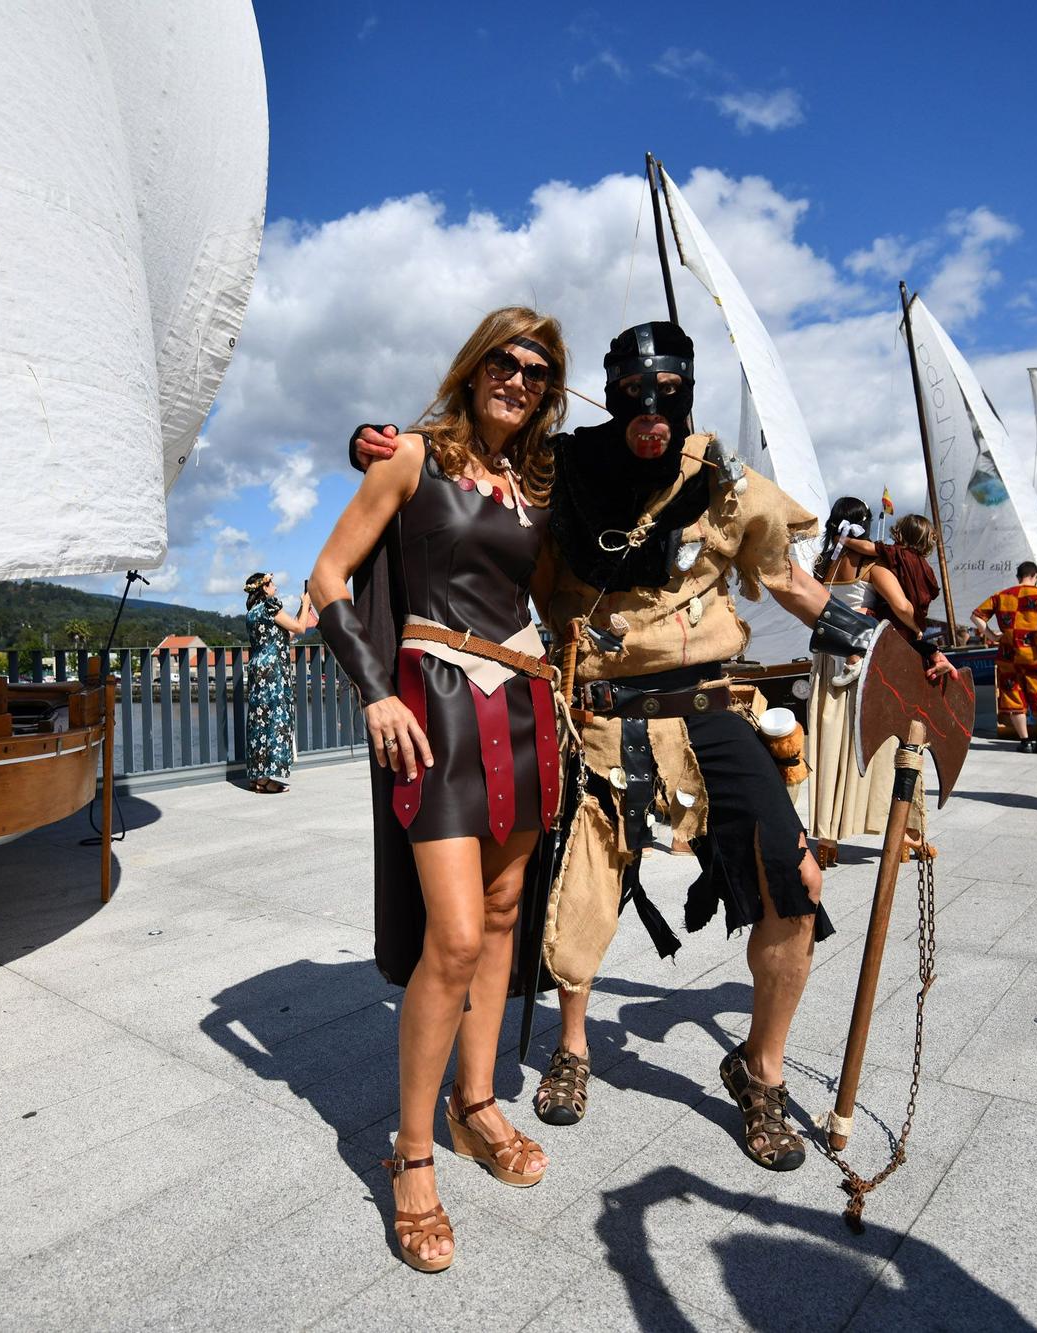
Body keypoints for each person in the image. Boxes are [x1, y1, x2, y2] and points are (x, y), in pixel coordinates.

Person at [352, 321, 952, 1175]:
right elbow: (470, 491)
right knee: (574, 883)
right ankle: (571, 1045)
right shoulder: (561, 468)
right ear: (609, 385)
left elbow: (789, 579)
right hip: (594, 706)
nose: (650, 404)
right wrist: (372, 443)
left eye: (669, 386)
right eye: (633, 386)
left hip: (706, 703)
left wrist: (896, 640)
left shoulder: (722, 476)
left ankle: (762, 1071)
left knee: (797, 878)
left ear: (688, 385)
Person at [310, 307, 568, 1273]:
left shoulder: (539, 481)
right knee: (453, 934)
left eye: (537, 370)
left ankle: (477, 1106)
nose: (520, 377)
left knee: (503, 916)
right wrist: (374, 692)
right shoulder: (412, 456)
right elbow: (329, 575)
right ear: (473, 366)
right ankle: (409, 1154)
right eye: (505, 360)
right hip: (437, 701)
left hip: (527, 707)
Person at [805, 498, 955, 865]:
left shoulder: (822, 564)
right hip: (868, 660)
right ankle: (905, 836)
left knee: (831, 745)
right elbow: (903, 608)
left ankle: (826, 840)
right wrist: (920, 634)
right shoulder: (872, 564)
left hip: (828, 658)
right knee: (890, 741)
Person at [971, 562, 1037, 752]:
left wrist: (991, 635)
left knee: (1014, 697)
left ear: (1018, 576)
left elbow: (976, 616)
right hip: (1036, 656)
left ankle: (1025, 742)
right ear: (1035, 575)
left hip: (1009, 656)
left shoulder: (1001, 596)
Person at [241, 573, 315, 793]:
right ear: (263, 588)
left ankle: (257, 776)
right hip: (274, 671)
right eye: (272, 583)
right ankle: (265, 780)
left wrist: (302, 610)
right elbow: (300, 629)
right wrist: (308, 603)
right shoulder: (271, 606)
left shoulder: (252, 613)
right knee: (277, 718)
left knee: (259, 720)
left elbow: (285, 634)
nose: (275, 586)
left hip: (258, 668)